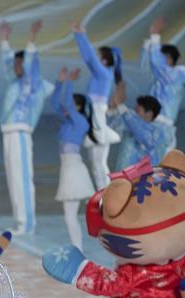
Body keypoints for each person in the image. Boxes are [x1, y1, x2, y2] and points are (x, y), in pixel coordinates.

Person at [0, 20, 53, 235]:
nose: (17, 67)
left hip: (21, 133)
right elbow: (6, 62)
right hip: (9, 132)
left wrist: (31, 37)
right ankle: (19, 220)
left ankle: (27, 223)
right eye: (16, 64)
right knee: (13, 179)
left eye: (20, 64)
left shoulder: (31, 83)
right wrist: (4, 39)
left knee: (22, 179)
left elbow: (30, 64)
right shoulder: (14, 81)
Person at [72, 22, 121, 189]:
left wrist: (81, 35)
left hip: (97, 117)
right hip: (93, 116)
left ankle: (106, 195)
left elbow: (89, 58)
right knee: (95, 163)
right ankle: (102, 194)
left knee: (99, 163)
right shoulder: (102, 75)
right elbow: (90, 58)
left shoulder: (104, 74)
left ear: (105, 61)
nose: (97, 60)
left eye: (100, 57)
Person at [53, 68, 96, 248]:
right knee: (69, 215)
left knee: (70, 214)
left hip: (74, 169)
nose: (64, 108)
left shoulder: (80, 122)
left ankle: (78, 248)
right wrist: (60, 82)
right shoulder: (67, 122)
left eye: (70, 105)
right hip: (68, 168)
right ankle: (77, 248)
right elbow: (56, 103)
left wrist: (69, 81)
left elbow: (65, 104)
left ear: (77, 107)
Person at [141, 16, 185, 130]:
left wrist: (155, 35)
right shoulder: (161, 77)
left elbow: (156, 63)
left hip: (162, 122)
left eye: (161, 56)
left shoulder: (178, 72)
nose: (158, 58)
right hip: (154, 120)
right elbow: (146, 66)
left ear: (169, 58)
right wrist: (148, 47)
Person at [110, 92, 173, 169]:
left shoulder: (160, 130)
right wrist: (111, 110)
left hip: (147, 177)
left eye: (138, 110)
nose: (134, 113)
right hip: (123, 174)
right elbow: (111, 131)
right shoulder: (130, 123)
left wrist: (125, 113)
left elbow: (146, 139)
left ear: (149, 113)